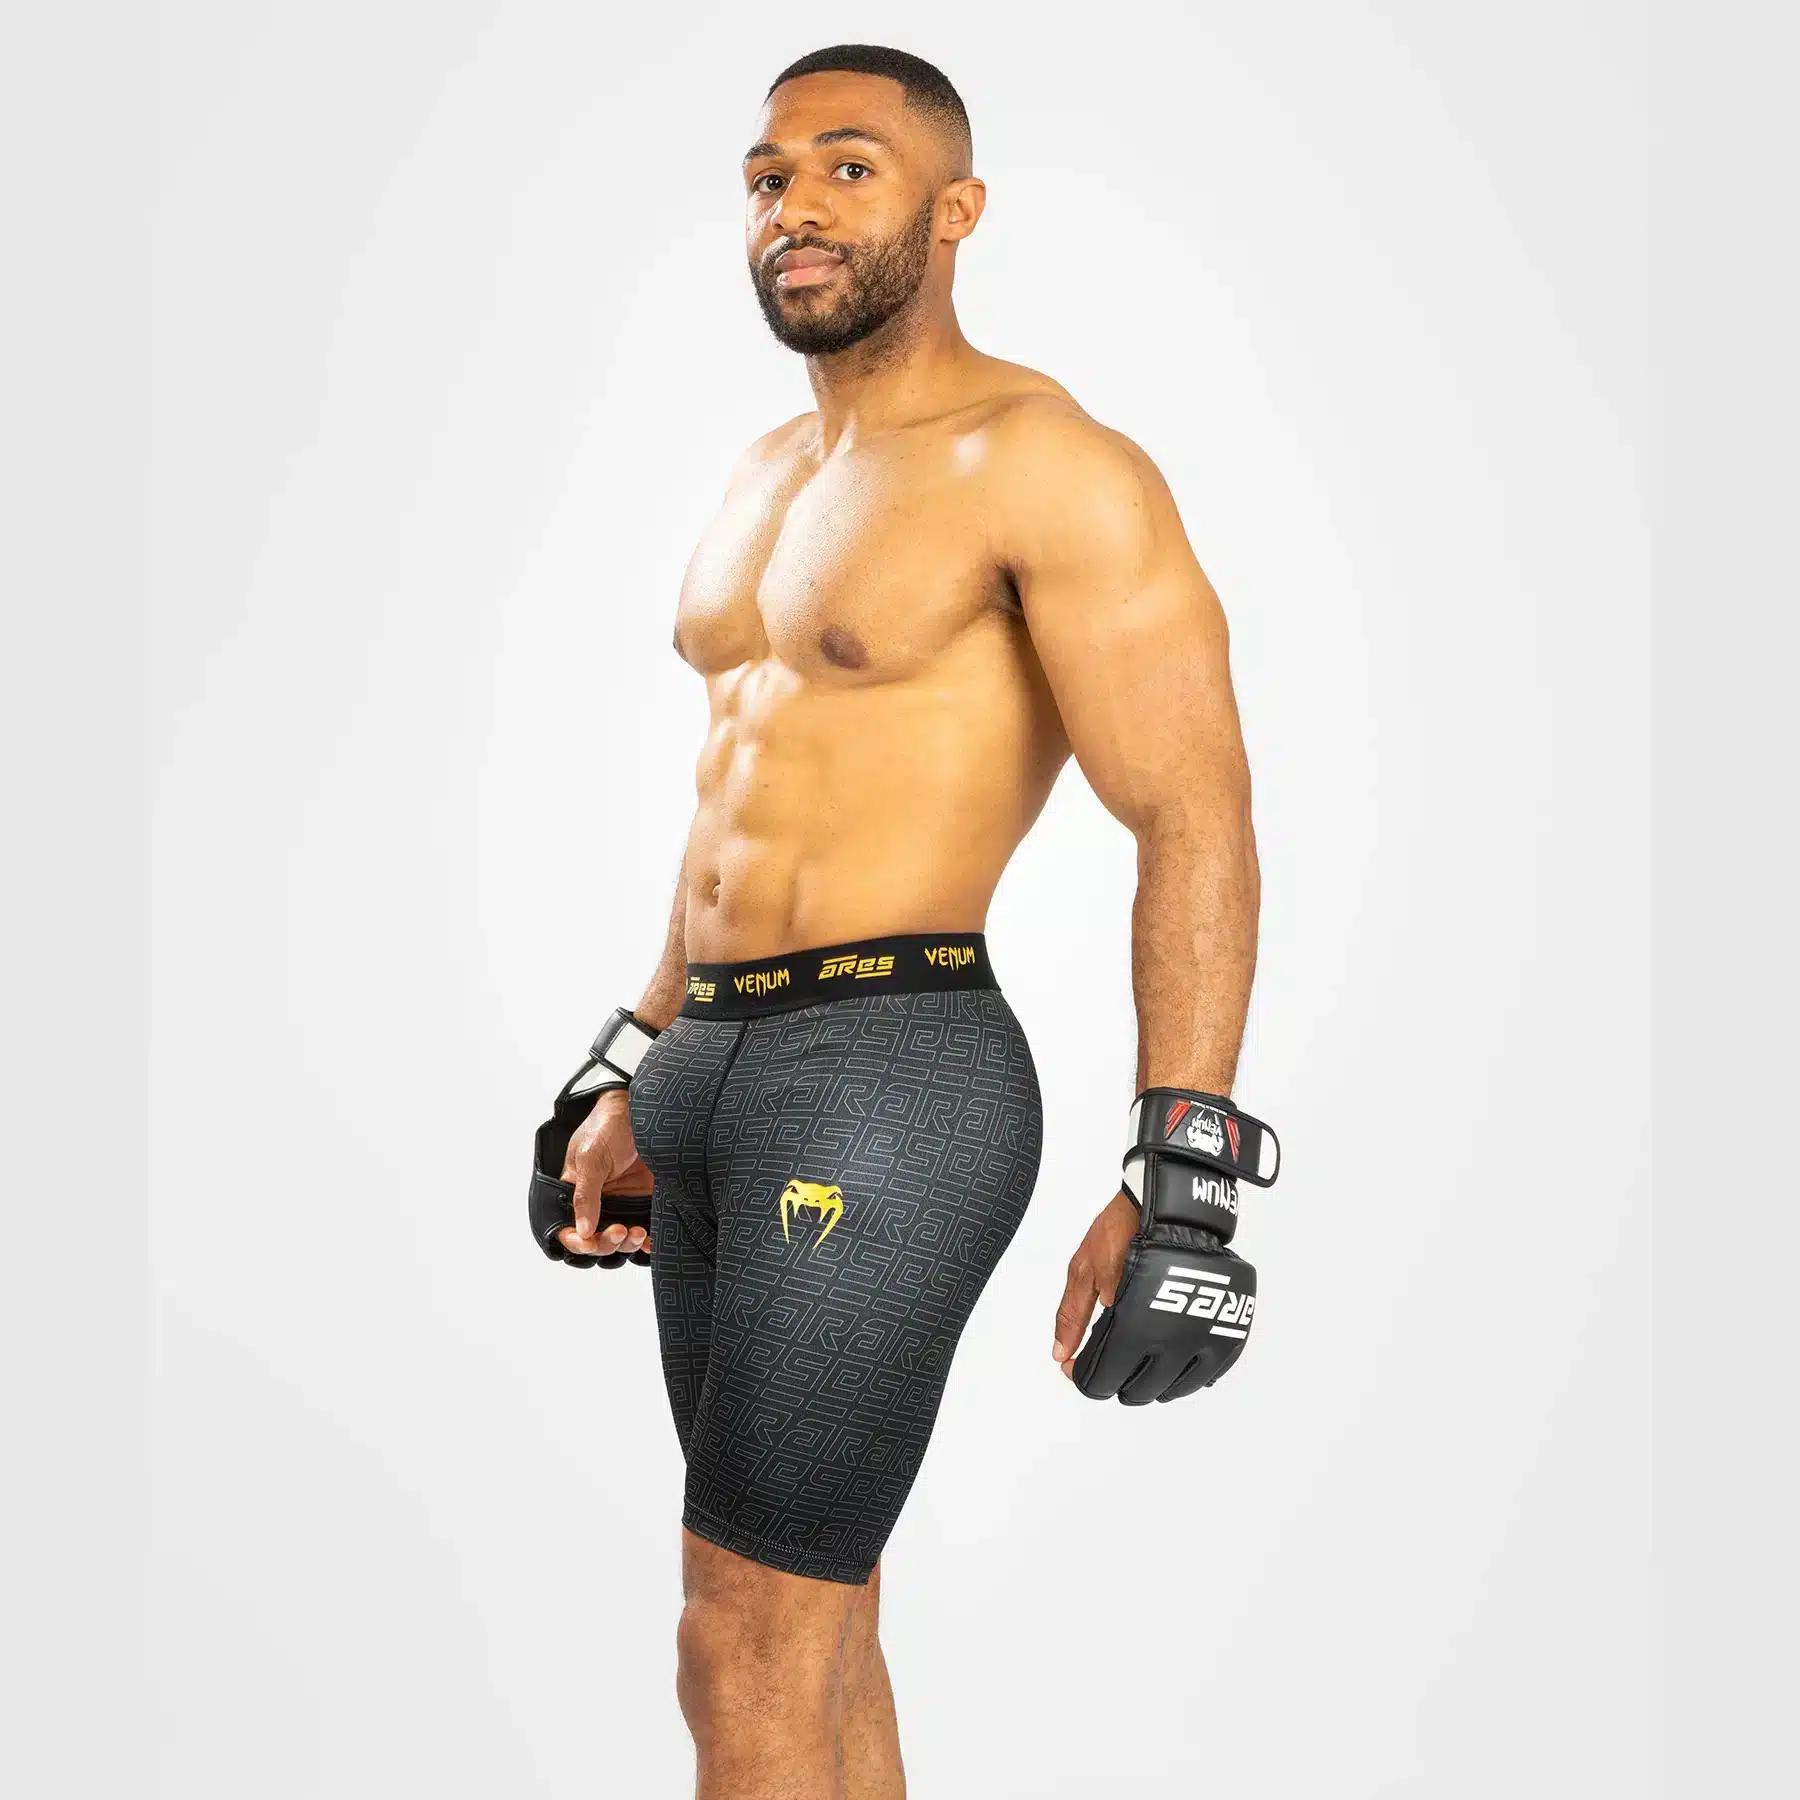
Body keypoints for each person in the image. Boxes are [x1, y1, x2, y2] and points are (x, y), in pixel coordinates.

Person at [532, 43, 1271, 1800]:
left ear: (956, 211)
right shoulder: (764, 473)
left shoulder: (1049, 463)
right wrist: (636, 1053)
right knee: (816, 1613)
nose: (793, 205)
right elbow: (736, 798)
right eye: (767, 177)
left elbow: (1192, 813)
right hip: (714, 1070)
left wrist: (1186, 1165)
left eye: (847, 168)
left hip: (891, 1076)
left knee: (739, 1639)